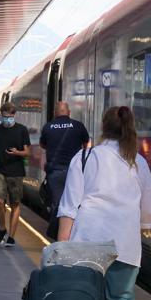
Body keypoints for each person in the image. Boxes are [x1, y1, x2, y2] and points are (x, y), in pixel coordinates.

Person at [57, 106, 151, 300]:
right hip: (125, 240)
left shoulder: (86, 157)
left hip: (89, 238)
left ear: (103, 127)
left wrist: (61, 246)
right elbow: (147, 205)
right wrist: (143, 227)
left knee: (86, 298)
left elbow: (70, 205)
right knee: (121, 299)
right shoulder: (138, 162)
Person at [39, 101, 89, 237]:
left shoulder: (48, 127)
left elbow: (43, 145)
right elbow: (87, 145)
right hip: (75, 173)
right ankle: (73, 234)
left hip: (55, 173)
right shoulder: (78, 126)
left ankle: (58, 236)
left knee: (57, 205)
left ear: (55, 113)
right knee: (75, 205)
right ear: (68, 112)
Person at [0, 102, 31, 247]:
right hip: (0, 170)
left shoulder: (22, 130)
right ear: (1, 115)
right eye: (4, 117)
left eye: (9, 117)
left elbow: (27, 152)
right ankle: (2, 228)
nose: (7, 119)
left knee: (15, 203)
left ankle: (11, 236)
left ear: (13, 115)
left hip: (16, 171)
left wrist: (17, 153)